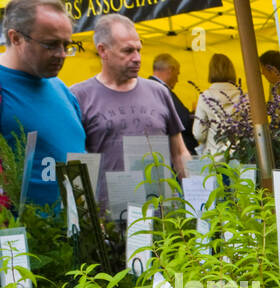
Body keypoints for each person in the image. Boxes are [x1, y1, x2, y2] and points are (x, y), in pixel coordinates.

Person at [72, 14, 188, 203]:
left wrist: (197, 197)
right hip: (107, 220)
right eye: (127, 51)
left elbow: (179, 153)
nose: (137, 58)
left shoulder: (159, 92)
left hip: (163, 219)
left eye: (138, 50)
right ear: (103, 51)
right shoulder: (79, 96)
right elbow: (76, 164)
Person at [0, 0, 86, 210]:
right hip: (19, 239)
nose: (62, 54)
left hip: (72, 236)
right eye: (51, 44)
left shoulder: (63, 90)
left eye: (67, 45)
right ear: (16, 38)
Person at [191, 54, 246, 159]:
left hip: (214, 158)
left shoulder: (205, 96)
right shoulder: (244, 97)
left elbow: (199, 134)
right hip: (240, 158)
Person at [147, 52, 198, 154]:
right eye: (177, 73)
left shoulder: (147, 88)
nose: (178, 80)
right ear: (171, 70)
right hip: (175, 152)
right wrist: (195, 114)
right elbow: (184, 122)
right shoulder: (162, 91)